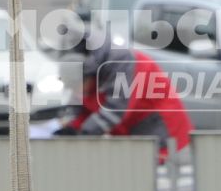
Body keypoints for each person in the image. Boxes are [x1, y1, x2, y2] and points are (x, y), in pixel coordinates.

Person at [50, 27, 193, 153]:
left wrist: (82, 133)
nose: (76, 92)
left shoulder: (123, 65)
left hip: (164, 135)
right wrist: (72, 127)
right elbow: (83, 110)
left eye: (77, 85)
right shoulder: (89, 72)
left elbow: (114, 111)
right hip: (133, 139)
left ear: (89, 75)